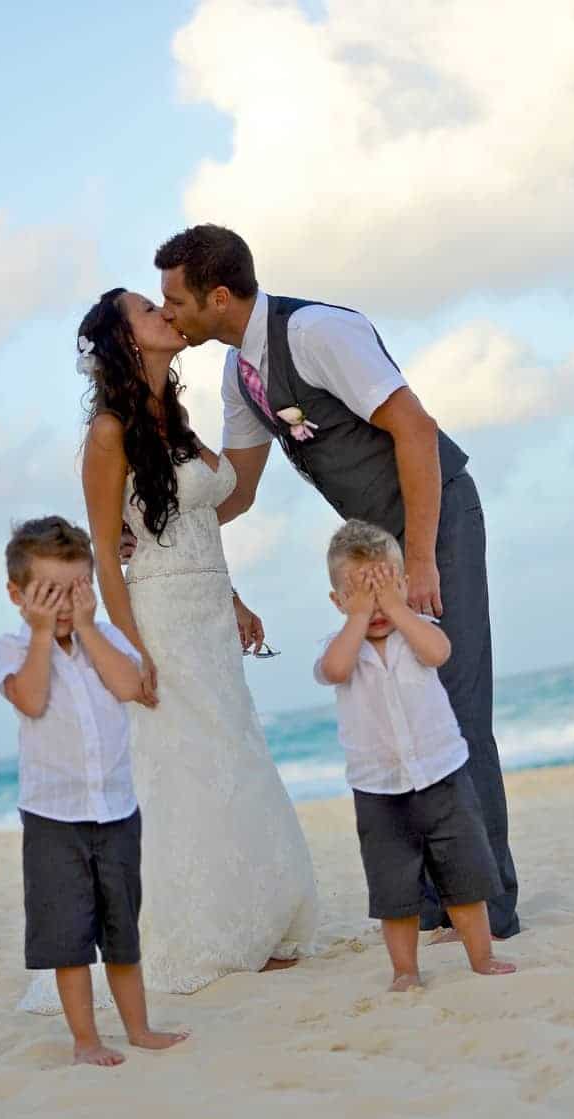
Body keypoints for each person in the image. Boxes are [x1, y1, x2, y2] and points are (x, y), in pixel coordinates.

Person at [153, 224, 519, 941]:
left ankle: (490, 908)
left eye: (174, 300)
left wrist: (419, 562)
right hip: (376, 546)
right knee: (400, 715)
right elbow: (239, 490)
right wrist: (167, 528)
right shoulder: (238, 373)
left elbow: (415, 429)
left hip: (432, 523)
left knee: (457, 710)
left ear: (218, 296)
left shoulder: (318, 332)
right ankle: (436, 903)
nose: (168, 313)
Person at [71, 286, 317, 999]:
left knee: (233, 754)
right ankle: (200, 933)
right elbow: (103, 548)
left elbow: (197, 516)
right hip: (161, 619)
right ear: (125, 341)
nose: (165, 315)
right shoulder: (110, 431)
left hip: (209, 611)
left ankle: (256, 923)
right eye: (149, 310)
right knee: (183, 768)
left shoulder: (174, 418)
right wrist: (130, 646)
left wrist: (233, 597)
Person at [0, 516, 189, 1063]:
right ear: (17, 594)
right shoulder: (11, 647)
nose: (64, 604)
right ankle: (85, 1039)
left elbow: (130, 687)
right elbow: (31, 700)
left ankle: (139, 1028)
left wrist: (89, 628)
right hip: (53, 818)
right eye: (49, 593)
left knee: (122, 931)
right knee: (69, 937)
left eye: (77, 588)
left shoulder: (107, 640)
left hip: (117, 811)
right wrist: (40, 635)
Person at [315, 520, 516, 989]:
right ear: (338, 601)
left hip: (442, 776)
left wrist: (395, 606)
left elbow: (440, 652)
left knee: (464, 875)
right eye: (360, 590)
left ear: (403, 585)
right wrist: (360, 617)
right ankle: (405, 969)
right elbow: (335, 669)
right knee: (395, 888)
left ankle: (481, 956)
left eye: (384, 584)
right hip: (379, 789)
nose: (375, 602)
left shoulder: (420, 631)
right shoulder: (339, 646)